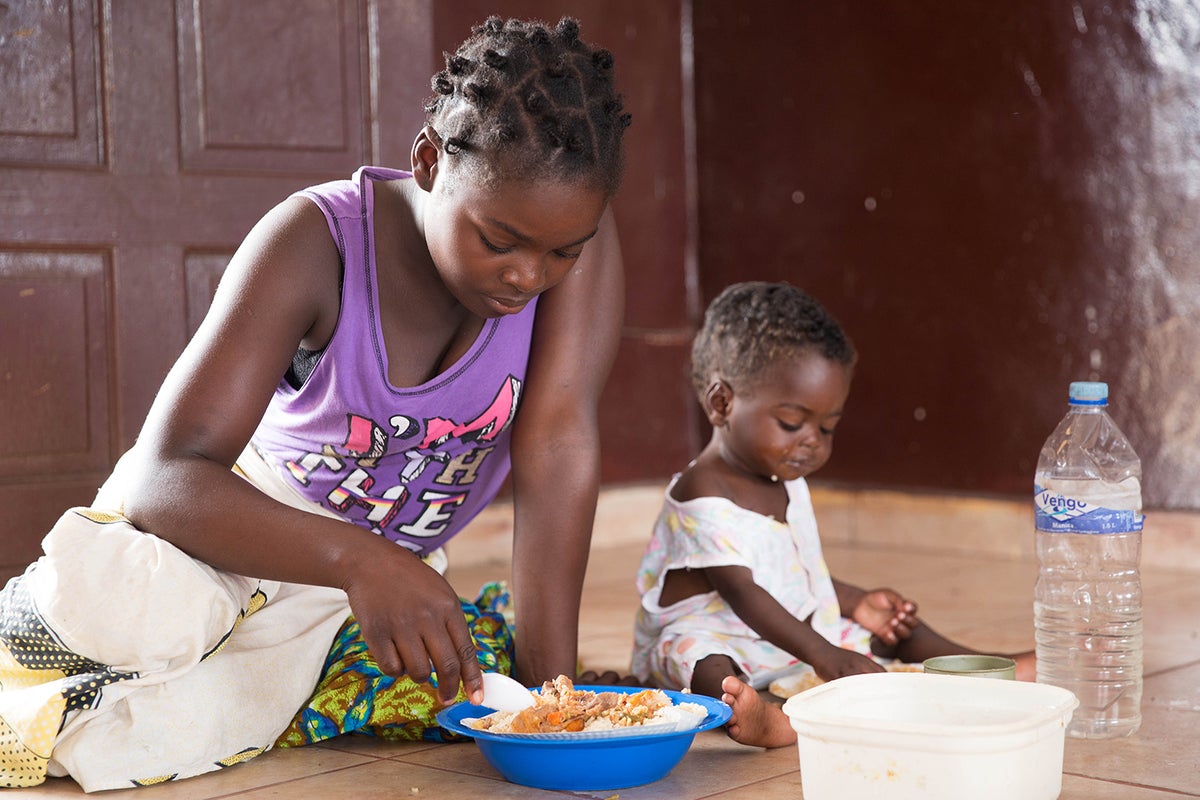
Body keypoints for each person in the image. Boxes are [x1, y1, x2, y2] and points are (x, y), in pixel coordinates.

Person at [0, 16, 631, 791]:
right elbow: (163, 477)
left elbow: (558, 449)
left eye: (561, 251)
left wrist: (548, 705)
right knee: (135, 610)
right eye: (499, 241)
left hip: (361, 587)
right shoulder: (316, 243)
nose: (529, 275)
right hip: (238, 533)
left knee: (449, 681)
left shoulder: (576, 248)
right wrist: (359, 560)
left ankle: (254, 678)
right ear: (430, 162)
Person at [630, 282, 1035, 749]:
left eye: (827, 428)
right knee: (704, 666)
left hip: (785, 638)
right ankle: (771, 721)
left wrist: (857, 602)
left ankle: (982, 668)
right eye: (791, 423)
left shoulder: (785, 478)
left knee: (894, 627)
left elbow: (793, 572)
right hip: (717, 634)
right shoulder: (702, 493)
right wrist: (827, 656)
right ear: (723, 403)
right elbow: (743, 592)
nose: (812, 442)